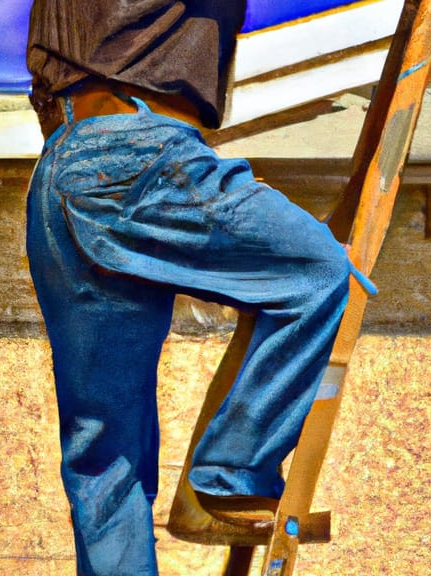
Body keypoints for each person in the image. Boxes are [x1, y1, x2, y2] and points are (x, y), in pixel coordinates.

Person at [25, 2, 356, 574]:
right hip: (139, 148)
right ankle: (226, 478)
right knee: (317, 270)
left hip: (63, 164)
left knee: (105, 455)